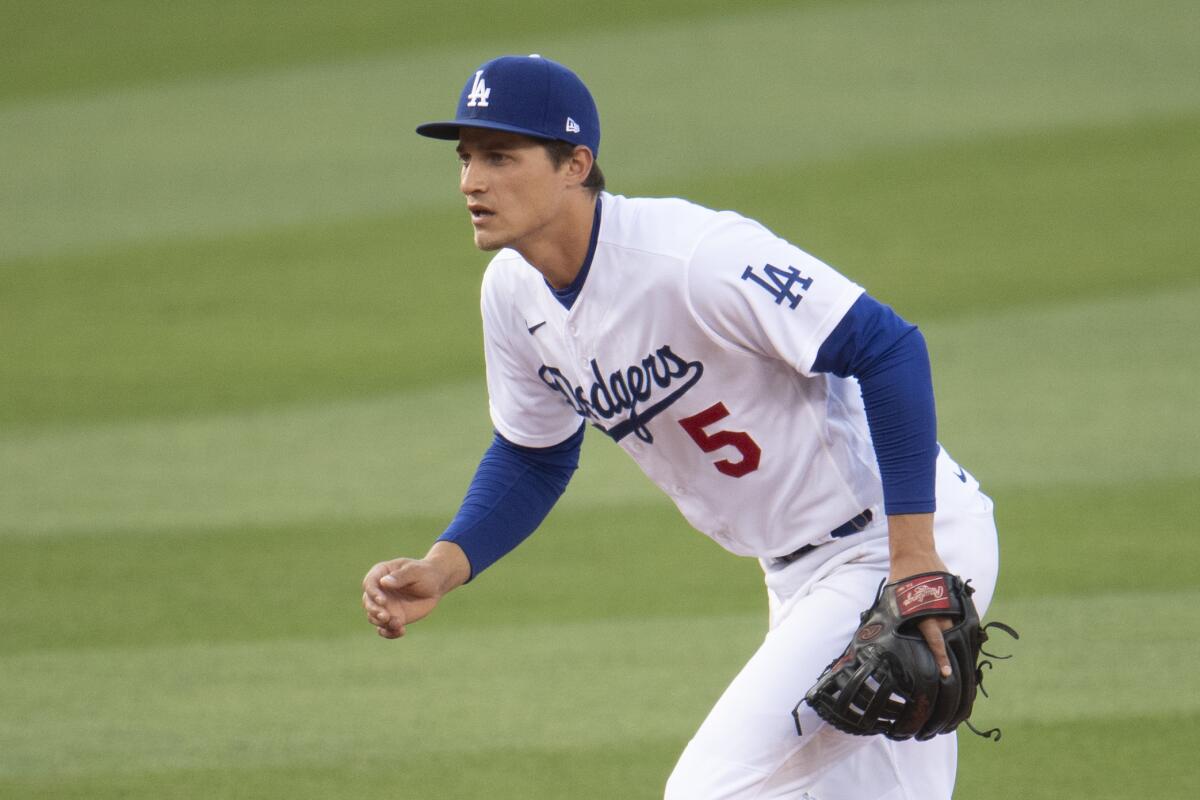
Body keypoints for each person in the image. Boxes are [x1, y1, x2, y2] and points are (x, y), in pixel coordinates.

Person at [362, 54, 1000, 799]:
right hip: (798, 575)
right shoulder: (511, 295)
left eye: (501, 156)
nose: (472, 181)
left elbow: (889, 348)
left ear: (576, 164)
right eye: (467, 157)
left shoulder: (693, 256)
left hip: (889, 549)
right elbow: (532, 455)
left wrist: (914, 560)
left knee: (709, 790)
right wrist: (444, 565)